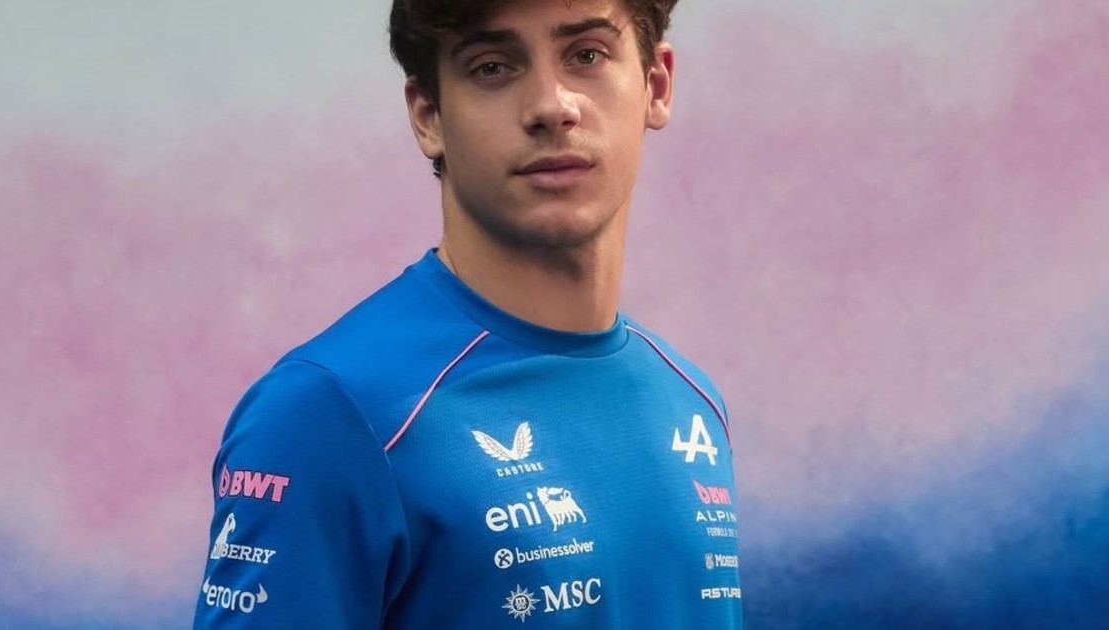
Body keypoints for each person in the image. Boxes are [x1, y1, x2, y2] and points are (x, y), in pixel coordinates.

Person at [194, 0, 742, 627]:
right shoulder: (328, 413)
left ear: (656, 85)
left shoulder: (693, 402)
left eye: (587, 55)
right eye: (492, 67)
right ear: (428, 116)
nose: (551, 106)